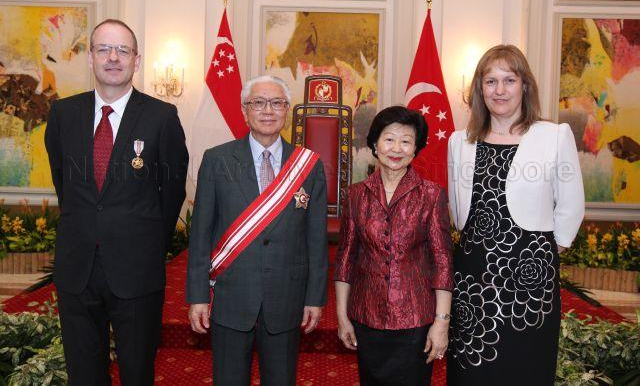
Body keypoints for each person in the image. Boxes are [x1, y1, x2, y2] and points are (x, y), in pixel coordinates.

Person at [44, 19, 189, 385]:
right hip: (78, 269)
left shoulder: (161, 117)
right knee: (84, 374)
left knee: (137, 372)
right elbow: (65, 183)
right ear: (90, 58)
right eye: (104, 49)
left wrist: (146, 243)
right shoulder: (63, 115)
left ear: (136, 61)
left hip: (136, 271)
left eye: (123, 50)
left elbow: (171, 193)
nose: (113, 58)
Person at [447, 44, 585, 385]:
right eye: (491, 81)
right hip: (473, 273)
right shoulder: (458, 141)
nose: (500, 90)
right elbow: (457, 207)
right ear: (479, 88)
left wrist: (550, 252)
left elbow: (571, 203)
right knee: (472, 367)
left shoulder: (553, 136)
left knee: (526, 367)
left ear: (525, 85)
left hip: (530, 276)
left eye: (509, 80)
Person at [186, 75, 328, 386]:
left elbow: (316, 240)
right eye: (258, 103)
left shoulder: (309, 165)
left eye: (277, 103)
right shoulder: (216, 160)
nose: (268, 110)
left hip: (286, 298)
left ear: (287, 110)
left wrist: (314, 298)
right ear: (244, 110)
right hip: (230, 297)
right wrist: (197, 296)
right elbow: (200, 235)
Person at [334, 106, 454, 386]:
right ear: (375, 144)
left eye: (406, 141)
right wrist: (342, 316)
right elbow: (345, 260)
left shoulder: (431, 195)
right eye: (389, 139)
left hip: (415, 320)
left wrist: (442, 322)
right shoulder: (355, 195)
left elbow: (443, 262)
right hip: (367, 317)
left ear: (415, 149)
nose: (396, 148)